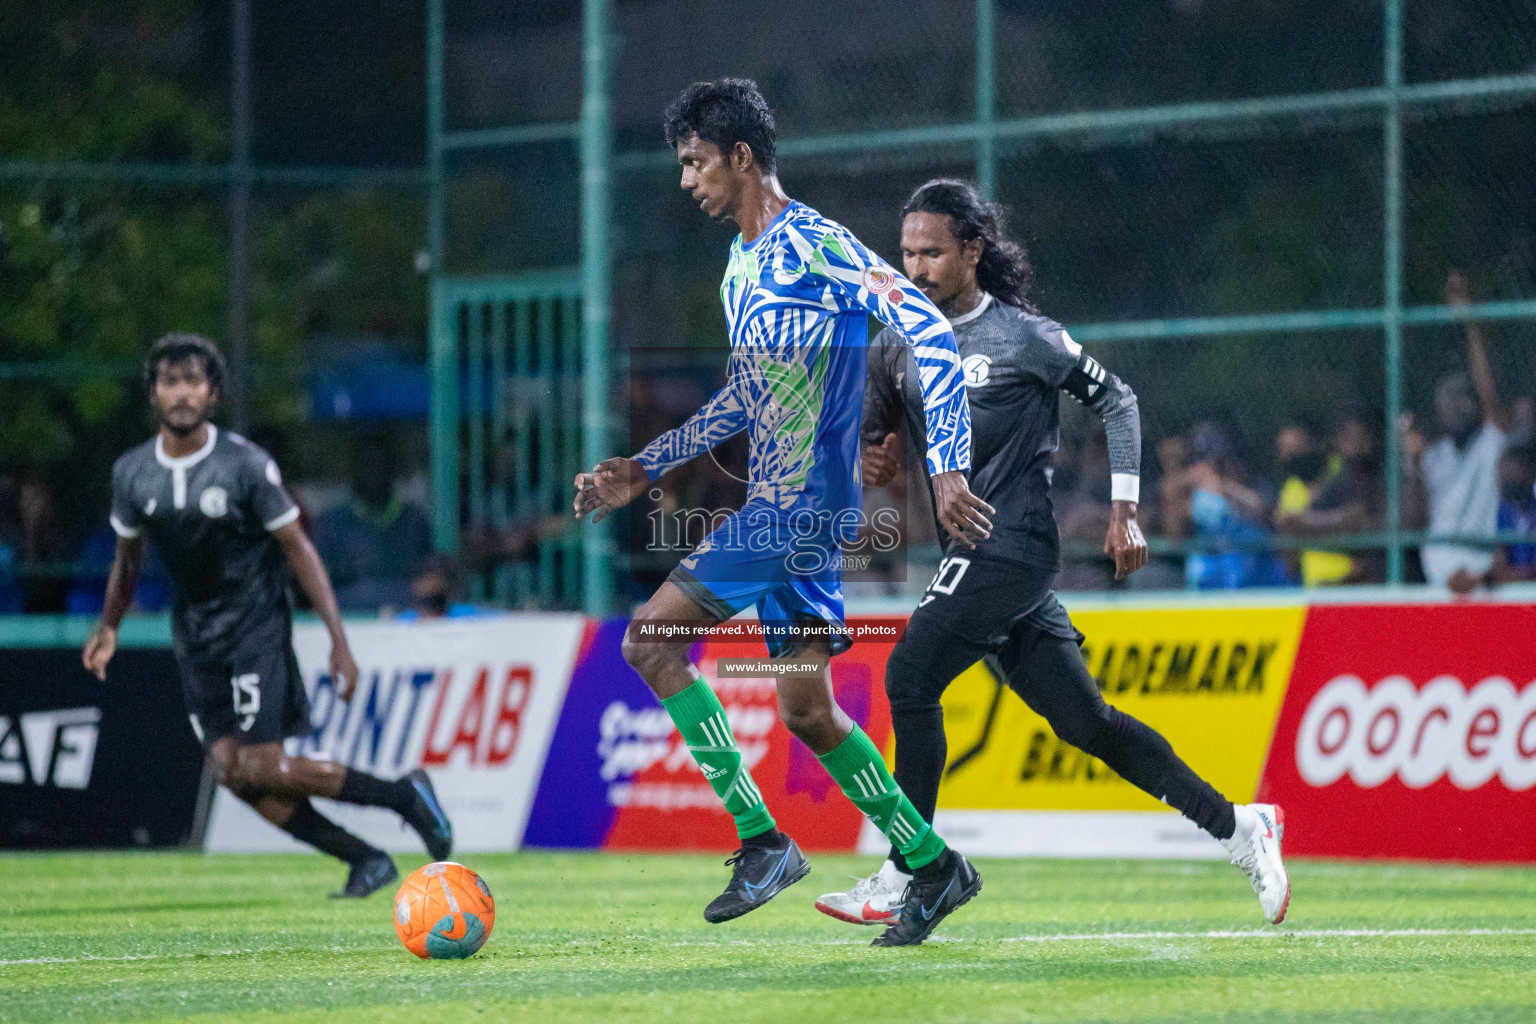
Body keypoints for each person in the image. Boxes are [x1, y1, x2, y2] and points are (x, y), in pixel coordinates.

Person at [573, 80, 991, 947]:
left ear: (739, 157)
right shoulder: (739, 266)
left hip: (798, 505)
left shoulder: (816, 243)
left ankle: (763, 840)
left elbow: (928, 329)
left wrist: (946, 469)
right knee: (805, 706)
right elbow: (745, 396)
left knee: (648, 639)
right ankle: (933, 862)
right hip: (789, 504)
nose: (687, 180)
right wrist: (642, 466)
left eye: (694, 163)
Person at [817, 179, 1289, 928]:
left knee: (909, 676)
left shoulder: (1025, 338)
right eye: (906, 253)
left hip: (1015, 545)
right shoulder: (894, 341)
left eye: (933, 253)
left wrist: (1126, 511)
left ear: (972, 251)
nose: (916, 269)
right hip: (976, 558)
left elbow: (1119, 400)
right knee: (1089, 725)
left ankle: (911, 869)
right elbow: (873, 440)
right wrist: (870, 460)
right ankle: (1240, 827)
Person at [83, 334, 453, 898]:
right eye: (170, 381)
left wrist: (337, 638)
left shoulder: (246, 465)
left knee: (262, 763)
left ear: (214, 393)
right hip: (195, 636)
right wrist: (110, 626)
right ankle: (366, 858)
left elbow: (298, 548)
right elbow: (127, 560)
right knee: (232, 771)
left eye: (194, 381)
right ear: (153, 393)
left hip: (255, 626)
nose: (182, 393)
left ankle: (403, 795)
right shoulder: (133, 473)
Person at [1406, 270, 1510, 590]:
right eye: (1448, 401)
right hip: (1439, 569)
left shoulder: (1490, 444)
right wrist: (1413, 465)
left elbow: (1488, 391)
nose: (1456, 407)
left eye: (1463, 398)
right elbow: (1416, 520)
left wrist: (1471, 322)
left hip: (1484, 565)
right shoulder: (1432, 457)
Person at [311, 428, 433, 613]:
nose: (374, 472)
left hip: (409, 631)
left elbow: (432, 587)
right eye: (366, 464)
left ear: (393, 469)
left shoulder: (415, 522)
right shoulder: (331, 524)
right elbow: (318, 597)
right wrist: (407, 591)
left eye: (380, 464)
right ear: (353, 471)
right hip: (351, 629)